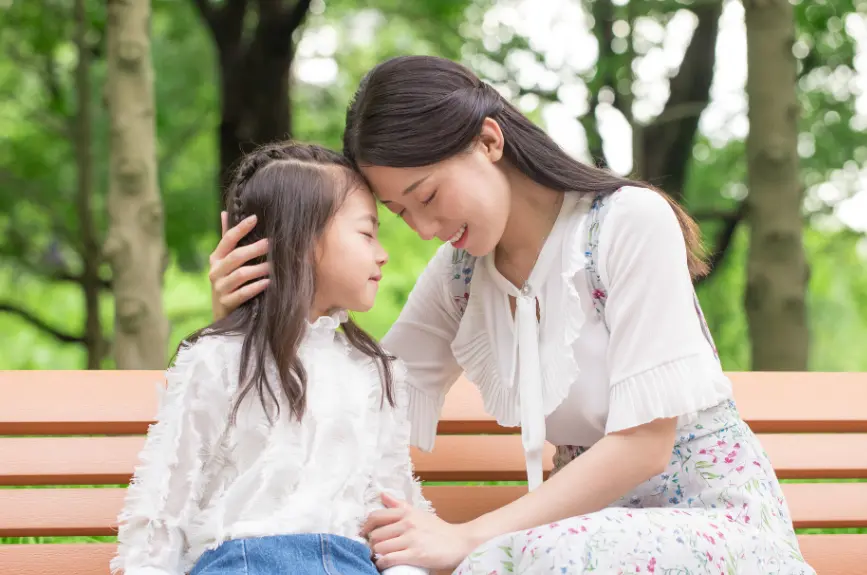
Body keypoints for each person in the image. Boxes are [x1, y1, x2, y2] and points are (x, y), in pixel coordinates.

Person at [209, 56, 815, 574]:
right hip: (588, 539)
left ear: (489, 141)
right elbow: (363, 396)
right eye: (398, 213)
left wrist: (470, 535)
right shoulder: (462, 273)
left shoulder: (628, 222)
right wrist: (251, 314)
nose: (424, 229)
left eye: (427, 196)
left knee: (517, 559)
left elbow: (645, 446)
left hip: (719, 528)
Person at [112, 142, 430, 575]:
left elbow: (394, 517)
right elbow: (162, 511)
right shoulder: (215, 360)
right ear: (301, 241)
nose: (382, 253)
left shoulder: (373, 371)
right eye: (366, 232)